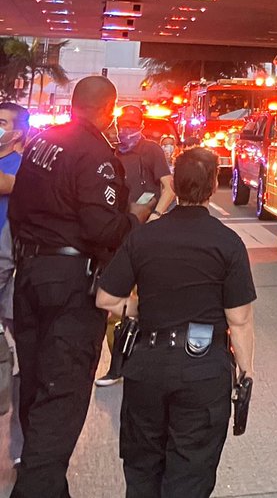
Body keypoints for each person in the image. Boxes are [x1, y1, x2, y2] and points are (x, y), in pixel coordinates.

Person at [8, 76, 150, 498]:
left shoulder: (40, 144)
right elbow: (102, 226)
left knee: (36, 385)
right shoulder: (94, 154)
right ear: (108, 110)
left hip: (29, 274)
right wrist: (136, 219)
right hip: (71, 284)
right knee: (63, 393)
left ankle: (47, 484)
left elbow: (19, 206)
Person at [96, 146, 255, 498]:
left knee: (143, 466)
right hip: (203, 370)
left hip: (147, 365)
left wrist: (141, 306)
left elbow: (105, 299)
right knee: (191, 471)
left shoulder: (143, 237)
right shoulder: (228, 243)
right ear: (214, 186)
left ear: (176, 186)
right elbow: (239, 320)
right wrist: (245, 373)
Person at [96, 105, 176, 387]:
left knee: (152, 296)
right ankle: (117, 365)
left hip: (148, 236)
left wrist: (155, 216)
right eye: (123, 123)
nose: (126, 129)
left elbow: (169, 187)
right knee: (113, 306)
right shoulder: (112, 152)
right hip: (121, 235)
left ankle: (151, 361)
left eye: (132, 123)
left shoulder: (151, 150)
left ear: (140, 124)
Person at [0, 103, 26, 464]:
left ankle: (19, 448)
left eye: (1, 122)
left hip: (11, 280)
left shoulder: (23, 170)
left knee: (20, 366)